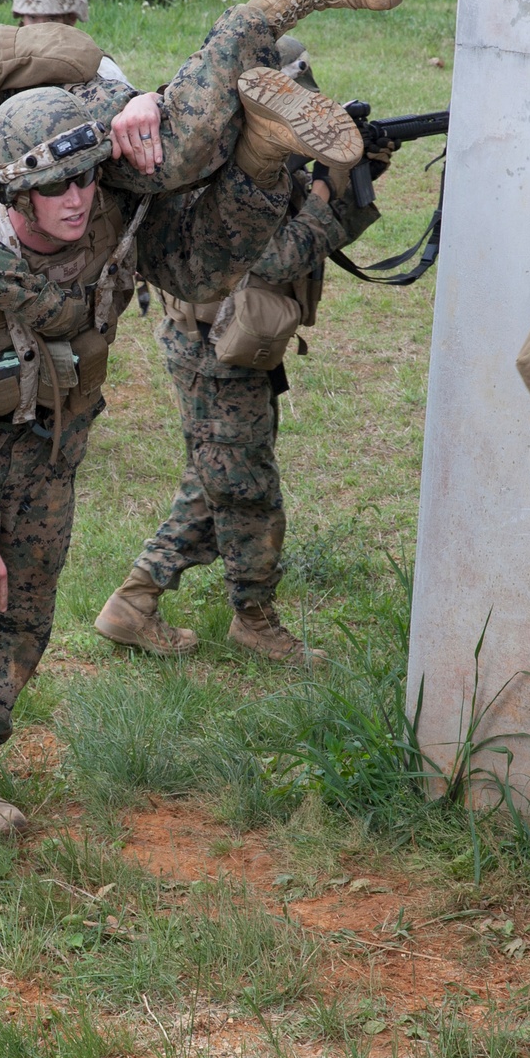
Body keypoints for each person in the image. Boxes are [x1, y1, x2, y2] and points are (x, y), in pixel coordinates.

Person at [0, 0, 402, 904]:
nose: (75, 203)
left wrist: (172, 131)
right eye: (53, 190)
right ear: (10, 191)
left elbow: (192, 268)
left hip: (50, 449)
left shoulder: (102, 211)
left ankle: (270, 127)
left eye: (85, 182)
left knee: (26, 632)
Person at [93, 118, 390, 664]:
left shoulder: (238, 157)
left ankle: (134, 603)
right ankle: (253, 621)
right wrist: (328, 185)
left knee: (219, 476)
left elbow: (309, 233)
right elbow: (277, 257)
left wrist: (352, 180)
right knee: (247, 490)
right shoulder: (224, 170)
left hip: (225, 344)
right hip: (216, 347)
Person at [12, 0, 132, 87]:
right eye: (32, 17)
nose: (40, 28)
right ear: (22, 18)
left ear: (71, 19)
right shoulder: (6, 64)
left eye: (51, 19)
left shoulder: (99, 68)